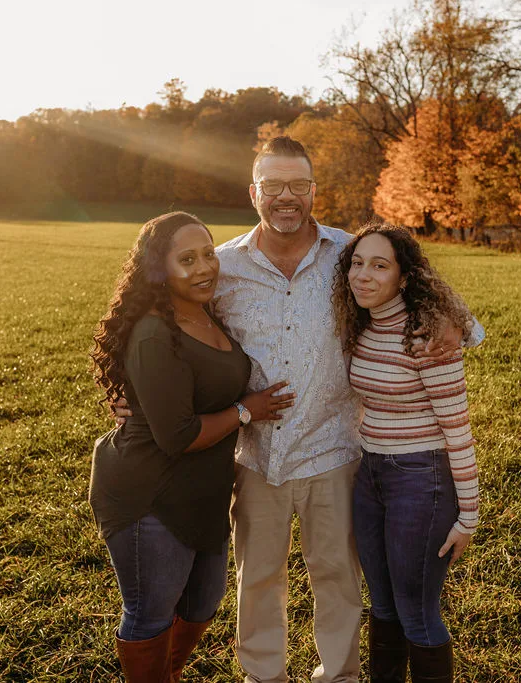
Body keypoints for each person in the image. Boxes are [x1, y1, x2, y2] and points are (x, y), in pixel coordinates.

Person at [115, 137, 481, 683]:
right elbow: (164, 313)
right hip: (255, 454)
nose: (286, 197)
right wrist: (129, 384)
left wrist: (451, 325)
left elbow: (425, 287)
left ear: (313, 190)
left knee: (337, 576)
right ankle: (264, 676)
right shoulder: (226, 266)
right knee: (257, 578)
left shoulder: (346, 253)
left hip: (334, 447)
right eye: (273, 186)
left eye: (298, 186)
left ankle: (339, 675)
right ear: (253, 192)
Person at [88, 211, 294, 682]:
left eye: (207, 253)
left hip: (204, 492)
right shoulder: (154, 333)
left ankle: (168, 673)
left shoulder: (207, 311)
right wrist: (247, 411)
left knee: (202, 604)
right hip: (149, 494)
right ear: (159, 270)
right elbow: (178, 435)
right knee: (150, 614)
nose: (204, 267)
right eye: (187, 259)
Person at [332, 222, 481, 683]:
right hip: (371, 475)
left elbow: (457, 427)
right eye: (357, 263)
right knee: (383, 605)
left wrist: (469, 514)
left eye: (380, 265)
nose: (364, 275)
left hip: (422, 479)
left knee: (416, 612)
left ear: (404, 276)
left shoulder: (427, 334)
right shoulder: (361, 327)